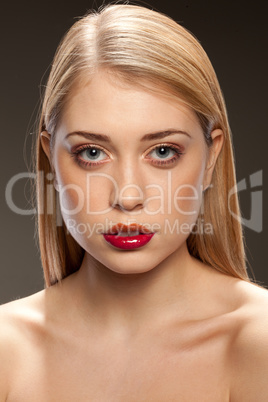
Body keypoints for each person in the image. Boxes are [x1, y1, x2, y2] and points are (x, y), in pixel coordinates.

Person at [0, 3, 267, 400]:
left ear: (211, 157)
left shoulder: (257, 342)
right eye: (92, 153)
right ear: (51, 160)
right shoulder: (8, 351)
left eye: (162, 152)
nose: (128, 197)